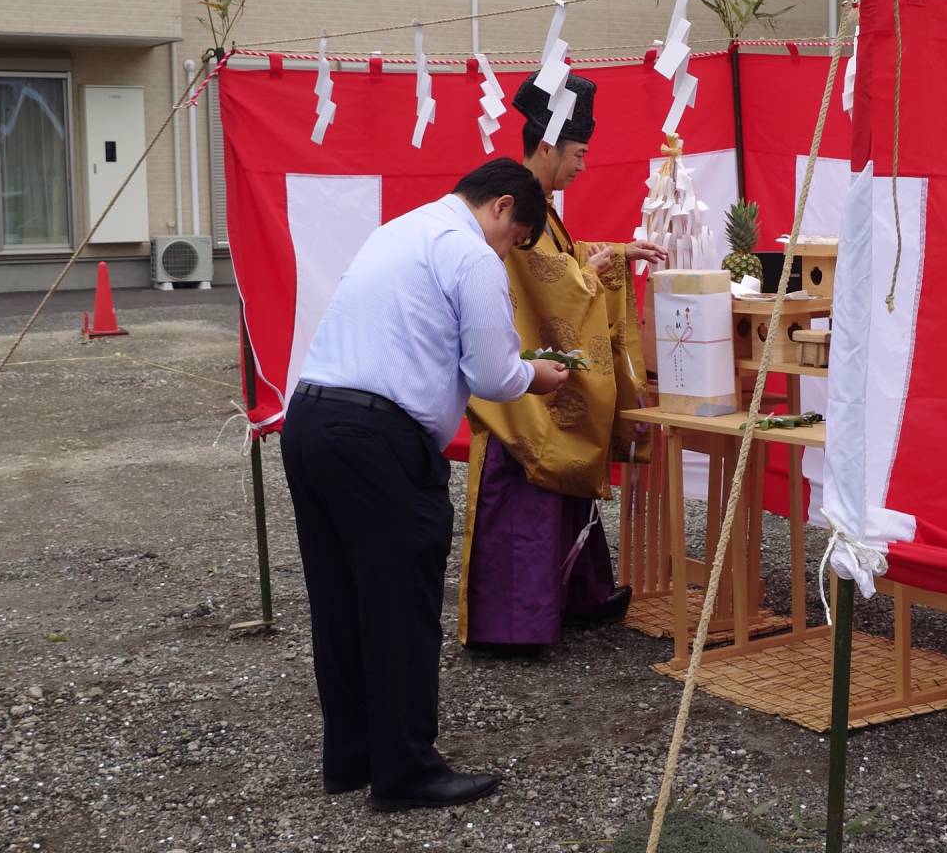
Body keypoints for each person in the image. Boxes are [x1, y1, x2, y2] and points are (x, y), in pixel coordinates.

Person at [281, 158, 569, 812]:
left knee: (339, 600)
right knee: (399, 606)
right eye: (516, 238)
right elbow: (493, 374)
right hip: (377, 439)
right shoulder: (470, 253)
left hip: (312, 419)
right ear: (501, 207)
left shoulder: (401, 230)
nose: (510, 251)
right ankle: (406, 770)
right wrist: (537, 375)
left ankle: (352, 756)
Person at [459, 72, 668, 656]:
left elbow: (563, 261)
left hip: (543, 378)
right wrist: (590, 275)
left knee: (560, 490)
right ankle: (510, 626)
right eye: (578, 154)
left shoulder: (541, 210)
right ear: (548, 147)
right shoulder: (518, 207)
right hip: (518, 392)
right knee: (522, 493)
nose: (583, 165)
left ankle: (576, 598)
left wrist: (616, 253)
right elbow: (549, 281)